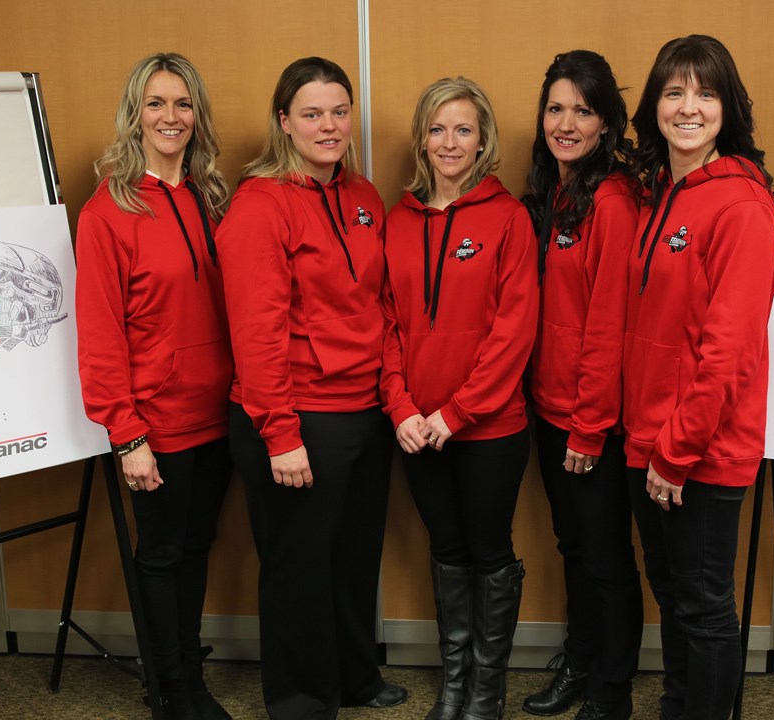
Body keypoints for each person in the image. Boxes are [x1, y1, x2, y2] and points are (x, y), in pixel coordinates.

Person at [218, 56, 406, 720]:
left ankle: (355, 678)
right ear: (284, 122)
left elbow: (379, 304)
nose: (329, 126)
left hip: (363, 410)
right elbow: (256, 331)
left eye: (339, 112)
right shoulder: (260, 204)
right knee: (298, 569)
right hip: (296, 415)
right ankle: (302, 701)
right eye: (312, 114)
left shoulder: (362, 197)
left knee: (353, 559)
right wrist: (280, 433)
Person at [625, 35, 774, 720]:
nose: (689, 108)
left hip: (702, 450)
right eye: (674, 92)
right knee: (674, 596)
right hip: (649, 438)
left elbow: (729, 351)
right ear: (655, 105)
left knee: (704, 605)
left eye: (706, 93)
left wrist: (678, 450)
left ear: (728, 108)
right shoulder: (663, 193)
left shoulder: (742, 206)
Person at [75, 52, 234, 720]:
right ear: (134, 115)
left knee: (196, 549)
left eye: (183, 104)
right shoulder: (107, 212)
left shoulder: (212, 199)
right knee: (164, 554)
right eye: (156, 103)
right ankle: (171, 688)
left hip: (220, 412)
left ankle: (186, 669)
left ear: (197, 115)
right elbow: (99, 335)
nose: (171, 117)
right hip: (156, 423)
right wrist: (127, 434)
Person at [381, 77, 539, 720]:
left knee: (488, 550)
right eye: (438, 128)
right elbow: (385, 324)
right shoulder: (397, 220)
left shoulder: (509, 218)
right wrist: (401, 408)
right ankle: (454, 686)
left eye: (463, 129)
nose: (450, 142)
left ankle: (486, 692)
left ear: (482, 140)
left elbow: (514, 330)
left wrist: (457, 412)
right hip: (417, 428)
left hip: (489, 427)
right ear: (422, 138)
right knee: (445, 550)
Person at [519, 51, 640, 720]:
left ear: (606, 125)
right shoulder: (556, 192)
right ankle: (581, 661)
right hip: (548, 409)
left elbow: (607, 325)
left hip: (590, 420)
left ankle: (610, 691)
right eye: (556, 108)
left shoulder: (612, 201)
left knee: (605, 558)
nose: (566, 124)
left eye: (583, 111)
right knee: (574, 548)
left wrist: (589, 429)